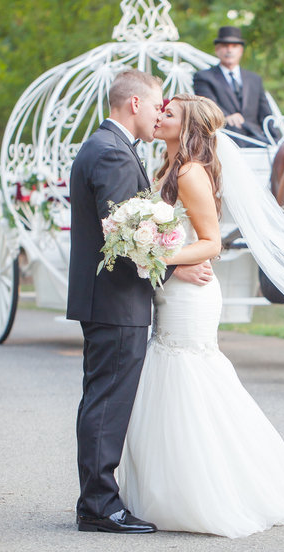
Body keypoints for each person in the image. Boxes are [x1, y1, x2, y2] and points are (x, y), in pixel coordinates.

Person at [117, 93, 284, 538]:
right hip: (172, 287)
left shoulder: (192, 173)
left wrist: (161, 256)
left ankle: (212, 492)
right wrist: (152, 254)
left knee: (192, 377)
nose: (159, 117)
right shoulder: (164, 170)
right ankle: (167, 488)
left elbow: (212, 241)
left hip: (191, 295)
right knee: (169, 376)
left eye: (169, 115)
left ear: (188, 126)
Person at [66, 71, 213, 534]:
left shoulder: (107, 147)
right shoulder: (111, 152)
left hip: (111, 300)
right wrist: (175, 267)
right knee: (107, 403)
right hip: (115, 300)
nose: (157, 115)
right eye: (155, 107)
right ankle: (99, 506)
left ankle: (97, 499)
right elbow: (126, 237)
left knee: (103, 399)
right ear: (134, 104)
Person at [193, 26, 279, 145]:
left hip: (256, 138)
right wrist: (226, 118)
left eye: (234, 46)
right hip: (225, 137)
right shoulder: (204, 77)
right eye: (225, 46)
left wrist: (277, 140)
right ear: (217, 50)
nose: (229, 50)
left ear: (241, 51)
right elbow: (208, 106)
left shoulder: (254, 79)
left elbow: (265, 113)